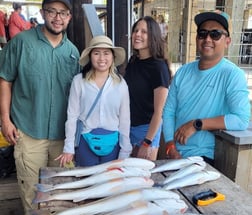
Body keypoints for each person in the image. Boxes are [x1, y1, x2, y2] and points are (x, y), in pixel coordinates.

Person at [0, 0, 80, 215]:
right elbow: (5, 79)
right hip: (28, 128)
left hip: (60, 134)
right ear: (43, 13)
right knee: (30, 185)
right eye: (52, 11)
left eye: (63, 13)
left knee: (58, 186)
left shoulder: (73, 52)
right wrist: (5, 119)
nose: (58, 18)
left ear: (69, 17)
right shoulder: (21, 42)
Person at [162, 10, 250, 163]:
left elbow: (241, 120)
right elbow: (169, 111)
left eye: (215, 34)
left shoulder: (232, 75)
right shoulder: (183, 72)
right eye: (202, 33)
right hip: (175, 154)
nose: (207, 39)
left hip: (205, 159)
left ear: (227, 41)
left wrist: (197, 124)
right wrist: (170, 145)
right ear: (197, 39)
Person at [56, 35, 132, 167]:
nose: (102, 58)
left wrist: (125, 150)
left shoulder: (121, 84)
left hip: (113, 143)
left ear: (113, 57)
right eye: (96, 53)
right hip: (85, 142)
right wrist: (68, 147)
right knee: (87, 183)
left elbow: (125, 120)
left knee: (110, 183)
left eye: (106, 53)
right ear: (90, 57)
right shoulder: (79, 81)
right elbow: (72, 116)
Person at [124, 16, 171, 161]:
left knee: (142, 178)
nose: (138, 34)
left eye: (144, 32)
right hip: (127, 128)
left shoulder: (159, 67)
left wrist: (147, 142)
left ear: (153, 36)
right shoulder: (133, 62)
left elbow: (159, 112)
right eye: (136, 30)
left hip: (147, 131)